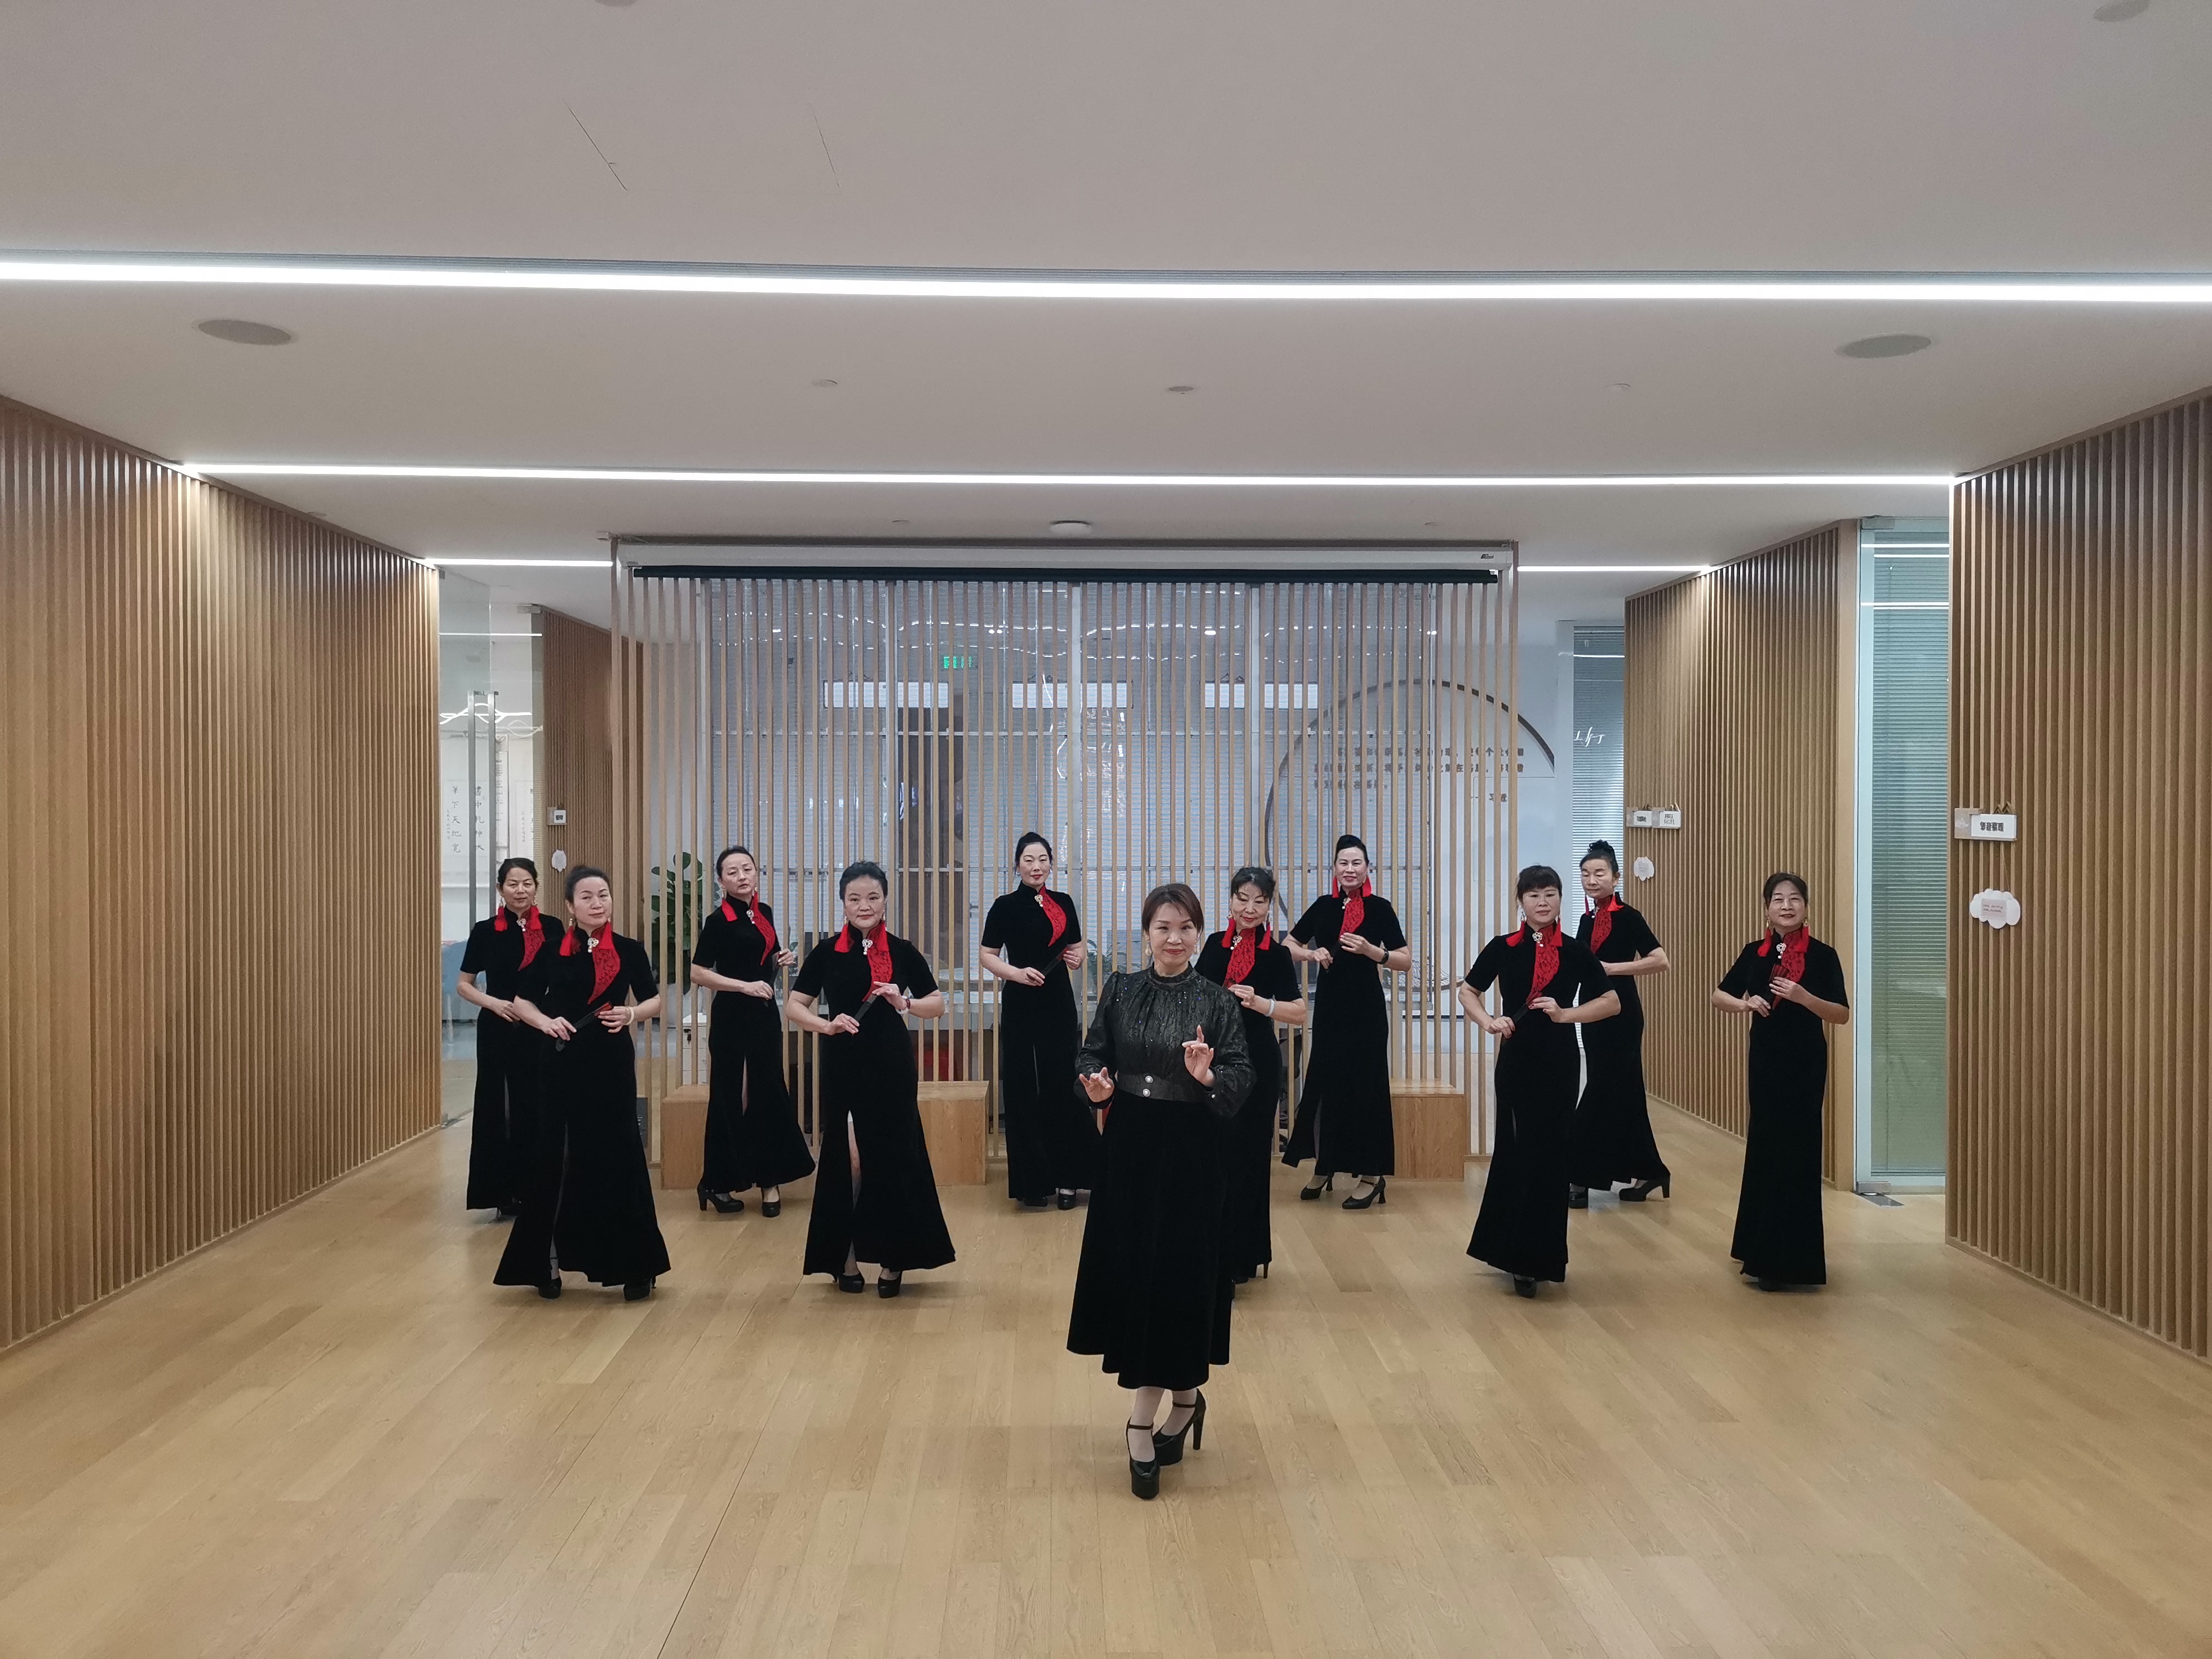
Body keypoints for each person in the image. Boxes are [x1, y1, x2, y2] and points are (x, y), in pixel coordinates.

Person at [1068, 883, 1253, 1499]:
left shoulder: (1217, 999)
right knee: (1137, 1272)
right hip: (1130, 1145)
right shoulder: (1120, 989)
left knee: (1180, 1275)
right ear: (1146, 933)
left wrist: (1208, 1076)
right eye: (1163, 928)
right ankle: (1185, 1401)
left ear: (1199, 933)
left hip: (1193, 1150)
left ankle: (1142, 1422)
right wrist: (1096, 1087)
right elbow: (1091, 1056)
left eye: (1185, 928)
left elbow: (1241, 1077)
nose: (1174, 939)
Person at [495, 867, 672, 1301]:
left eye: (603, 895)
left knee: (619, 1153)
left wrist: (631, 1014)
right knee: (557, 1155)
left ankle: (635, 1265)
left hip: (611, 1062)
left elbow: (654, 999)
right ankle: (548, 1262)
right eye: (587, 897)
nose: (597, 903)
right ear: (570, 907)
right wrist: (544, 1022)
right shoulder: (552, 950)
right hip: (560, 1061)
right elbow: (522, 1001)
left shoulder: (629, 950)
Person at [787, 861, 955, 1297]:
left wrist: (904, 1003)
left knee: (894, 1155)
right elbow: (794, 1005)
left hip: (891, 1063)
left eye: (873, 897)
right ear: (843, 903)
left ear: (885, 901)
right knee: (849, 1158)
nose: (864, 906)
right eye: (855, 898)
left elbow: (937, 1004)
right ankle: (844, 1254)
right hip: (842, 1061)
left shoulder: (902, 950)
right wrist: (826, 1025)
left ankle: (894, 1258)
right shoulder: (826, 951)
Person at [1459, 865, 1620, 1297]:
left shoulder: (1575, 951)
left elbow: (1611, 1002)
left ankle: (1541, 1257)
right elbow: (1468, 991)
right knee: (1516, 1153)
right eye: (1533, 895)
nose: (1542, 902)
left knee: (1552, 1157)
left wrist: (1567, 1015)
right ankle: (1512, 1253)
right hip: (1516, 1062)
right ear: (1521, 902)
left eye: (1550, 893)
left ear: (1560, 899)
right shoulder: (1503, 947)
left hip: (1560, 1063)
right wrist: (1489, 1021)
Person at [1711, 872, 1850, 1290]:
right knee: (1766, 1143)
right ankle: (1757, 1248)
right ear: (1767, 908)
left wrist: (1804, 997)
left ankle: (1790, 1261)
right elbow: (1718, 996)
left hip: (1805, 1063)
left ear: (1806, 907)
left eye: (1794, 899)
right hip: (1766, 1060)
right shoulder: (1755, 953)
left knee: (1798, 1150)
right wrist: (1744, 1004)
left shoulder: (1824, 956)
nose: (1786, 906)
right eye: (1778, 899)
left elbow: (1841, 1014)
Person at [1282, 834, 1408, 1210]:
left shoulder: (1380, 908)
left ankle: (1371, 1175)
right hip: (1330, 1009)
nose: (1350, 869)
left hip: (1367, 1011)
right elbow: (1287, 945)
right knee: (1325, 1084)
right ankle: (1325, 1166)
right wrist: (1311, 954)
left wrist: (1373, 952)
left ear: (1367, 869)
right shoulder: (1324, 906)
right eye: (1343, 863)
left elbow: (1405, 960)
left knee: (1366, 1089)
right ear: (1334, 869)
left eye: (1357, 863)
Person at [688, 845, 816, 1217]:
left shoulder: (765, 913)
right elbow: (698, 972)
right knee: (732, 1098)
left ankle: (769, 1181)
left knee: (768, 1093)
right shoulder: (717, 921)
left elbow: (762, 958)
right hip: (732, 1018)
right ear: (721, 881)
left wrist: (781, 958)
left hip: (763, 1016)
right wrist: (743, 986)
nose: (742, 876)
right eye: (732, 872)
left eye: (747, 869)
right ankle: (717, 1181)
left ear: (757, 873)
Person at [1195, 866, 1306, 1282]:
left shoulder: (1276, 954)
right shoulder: (1213, 945)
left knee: (1251, 1159)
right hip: (1213, 1061)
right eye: (1243, 899)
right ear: (1231, 901)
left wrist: (1262, 1004)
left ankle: (1244, 1256)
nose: (1250, 908)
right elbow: (1194, 996)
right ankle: (1211, 1253)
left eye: (1260, 901)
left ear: (1269, 906)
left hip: (1258, 1062)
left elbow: (1299, 1012)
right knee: (1213, 1156)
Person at [980, 832, 1097, 1210]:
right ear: (1017, 865)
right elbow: (987, 955)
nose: (1036, 866)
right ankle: (1032, 1183)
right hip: (1020, 1001)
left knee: (1063, 1083)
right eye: (1029, 860)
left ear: (1051, 863)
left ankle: (1069, 1179)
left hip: (1058, 1000)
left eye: (1043, 859)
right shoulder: (1004, 906)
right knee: (1022, 1086)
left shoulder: (1063, 902)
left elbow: (1076, 947)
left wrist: (1077, 957)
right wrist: (1016, 974)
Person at [455, 857, 565, 1216]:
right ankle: (503, 1192)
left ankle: (540, 1188)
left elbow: (562, 976)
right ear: (501, 889)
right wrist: (493, 1003)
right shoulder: (485, 931)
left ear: (536, 887)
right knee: (498, 1106)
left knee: (537, 1104)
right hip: (498, 1027)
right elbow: (464, 985)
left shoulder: (553, 927)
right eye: (513, 884)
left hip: (540, 1026)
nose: (521, 890)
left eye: (527, 883)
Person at [1566, 840, 1672, 1207]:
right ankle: (1651, 1170)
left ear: (1616, 877)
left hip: (1622, 1014)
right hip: (1592, 1013)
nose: (1591, 880)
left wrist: (1614, 968)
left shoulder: (1630, 916)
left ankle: (1579, 1176)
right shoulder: (1586, 919)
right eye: (1585, 874)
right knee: (1625, 1093)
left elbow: (1660, 960)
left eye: (1599, 873)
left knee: (1600, 1091)